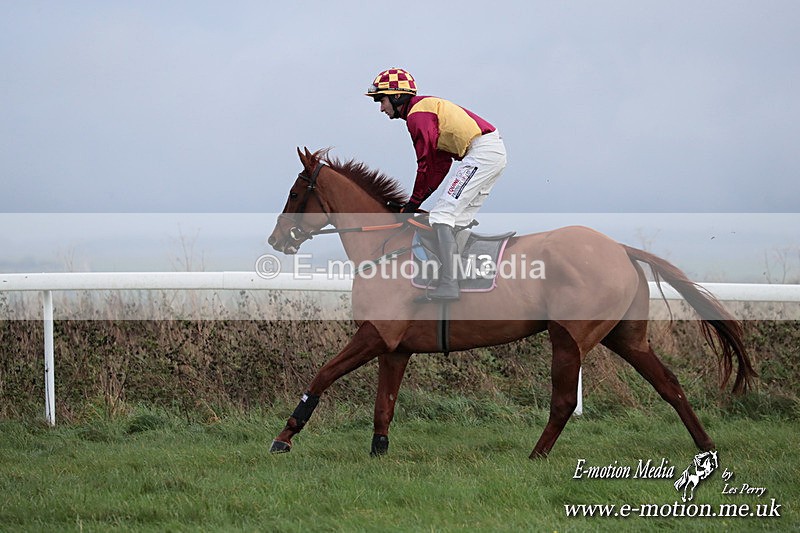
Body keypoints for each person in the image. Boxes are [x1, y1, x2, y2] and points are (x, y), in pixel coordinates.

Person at [365, 67, 507, 302]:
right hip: (489, 153)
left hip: (481, 153)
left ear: (397, 96)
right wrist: (418, 199)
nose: (381, 107)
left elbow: (425, 163)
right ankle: (458, 277)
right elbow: (440, 164)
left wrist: (412, 203)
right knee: (456, 220)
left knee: (441, 216)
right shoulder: (422, 111)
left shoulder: (417, 116)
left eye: (382, 99)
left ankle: (449, 284)